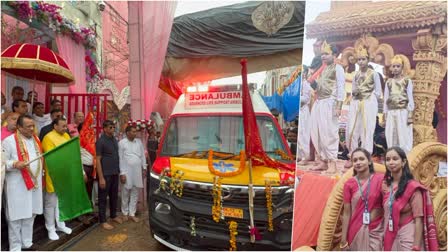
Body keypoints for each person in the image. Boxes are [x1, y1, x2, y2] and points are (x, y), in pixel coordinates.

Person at [382, 147, 438, 251]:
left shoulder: (412, 187)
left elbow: (419, 220)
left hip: (408, 238)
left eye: (395, 159)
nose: (391, 162)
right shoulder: (385, 185)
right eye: (388, 159)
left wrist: (416, 246)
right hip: (389, 235)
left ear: (403, 162)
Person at [3, 115, 44, 251]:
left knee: (30, 214)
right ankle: (15, 247)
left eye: (33, 126)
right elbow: (2, 163)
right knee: (16, 217)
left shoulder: (36, 139)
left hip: (34, 184)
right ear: (19, 127)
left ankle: (27, 243)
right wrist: (14, 163)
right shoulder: (8, 141)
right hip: (17, 185)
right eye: (28, 126)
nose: (32, 129)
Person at [309, 41, 345, 173]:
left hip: (330, 103)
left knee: (329, 133)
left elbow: (341, 88)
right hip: (320, 102)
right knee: (317, 132)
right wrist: (311, 83)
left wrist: (338, 106)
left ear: (334, 54)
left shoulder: (338, 68)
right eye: (322, 54)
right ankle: (323, 161)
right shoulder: (323, 70)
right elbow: (319, 87)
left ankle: (333, 162)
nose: (323, 56)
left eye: (326, 54)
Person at [345, 46, 382, 168]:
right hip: (356, 103)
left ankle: (366, 157)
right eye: (359, 59)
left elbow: (377, 92)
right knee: (352, 129)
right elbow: (354, 89)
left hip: (368, 103)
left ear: (368, 60)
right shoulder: (355, 75)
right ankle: (352, 156)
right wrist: (355, 96)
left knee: (367, 130)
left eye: (363, 59)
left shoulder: (374, 74)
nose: (361, 62)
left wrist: (370, 101)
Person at [340, 148, 384, 251]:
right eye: (355, 160)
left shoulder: (381, 179)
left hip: (377, 229)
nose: (358, 162)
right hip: (355, 230)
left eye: (361, 159)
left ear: (369, 161)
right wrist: (343, 240)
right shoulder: (349, 184)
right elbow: (347, 213)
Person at [41, 118, 73, 240]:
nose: (66, 128)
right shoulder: (48, 137)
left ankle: (61, 224)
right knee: (51, 203)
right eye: (63, 126)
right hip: (53, 173)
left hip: (65, 173)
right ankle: (50, 228)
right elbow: (50, 157)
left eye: (66, 126)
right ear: (55, 126)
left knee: (61, 202)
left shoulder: (66, 136)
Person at [383, 55, 414, 154]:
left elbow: (410, 98)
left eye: (398, 66)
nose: (395, 68)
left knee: (403, 135)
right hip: (391, 112)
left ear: (402, 67)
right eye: (394, 66)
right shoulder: (389, 82)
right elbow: (386, 100)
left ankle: (404, 158)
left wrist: (410, 115)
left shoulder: (407, 81)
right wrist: (385, 115)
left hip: (403, 112)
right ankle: (392, 155)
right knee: (391, 134)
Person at [96, 120, 122, 230]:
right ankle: (102, 221)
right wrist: (101, 178)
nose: (113, 129)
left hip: (115, 172)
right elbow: (97, 160)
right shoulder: (100, 141)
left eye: (113, 127)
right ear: (105, 129)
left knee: (114, 196)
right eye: (111, 127)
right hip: (105, 174)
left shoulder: (114, 139)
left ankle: (113, 215)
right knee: (102, 198)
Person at [119, 126, 147, 222]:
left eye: (136, 132)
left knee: (135, 191)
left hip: (137, 171)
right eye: (133, 131)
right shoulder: (122, 143)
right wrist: (122, 173)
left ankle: (132, 213)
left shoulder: (138, 142)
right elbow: (120, 158)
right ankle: (124, 213)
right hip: (126, 171)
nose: (135, 133)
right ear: (127, 133)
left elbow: (143, 155)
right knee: (125, 191)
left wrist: (144, 167)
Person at [297, 78, 312, 165]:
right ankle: (299, 155)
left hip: (303, 111)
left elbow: (306, 99)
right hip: (299, 111)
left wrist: (296, 97)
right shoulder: (299, 84)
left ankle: (305, 157)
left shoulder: (305, 84)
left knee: (303, 134)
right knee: (299, 134)